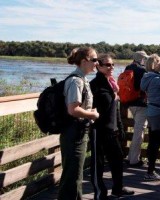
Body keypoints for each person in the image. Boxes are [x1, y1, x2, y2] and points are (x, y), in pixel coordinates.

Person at [89, 54, 134, 200]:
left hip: (112, 130)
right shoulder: (95, 84)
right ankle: (100, 194)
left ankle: (118, 189)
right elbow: (99, 107)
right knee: (99, 164)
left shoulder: (112, 84)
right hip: (99, 130)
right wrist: (113, 95)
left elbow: (115, 110)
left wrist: (120, 127)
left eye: (113, 64)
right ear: (99, 66)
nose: (111, 67)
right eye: (108, 65)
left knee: (118, 159)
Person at [58, 47, 100, 200]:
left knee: (76, 174)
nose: (97, 63)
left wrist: (89, 111)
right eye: (94, 60)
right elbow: (73, 110)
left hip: (79, 132)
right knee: (72, 176)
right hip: (73, 133)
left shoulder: (82, 79)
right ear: (84, 61)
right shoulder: (76, 81)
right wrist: (93, 114)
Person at [125, 51, 149, 167]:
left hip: (129, 103)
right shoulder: (143, 71)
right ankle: (134, 160)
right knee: (139, 132)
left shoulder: (128, 68)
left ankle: (131, 156)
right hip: (141, 104)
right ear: (142, 59)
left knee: (137, 130)